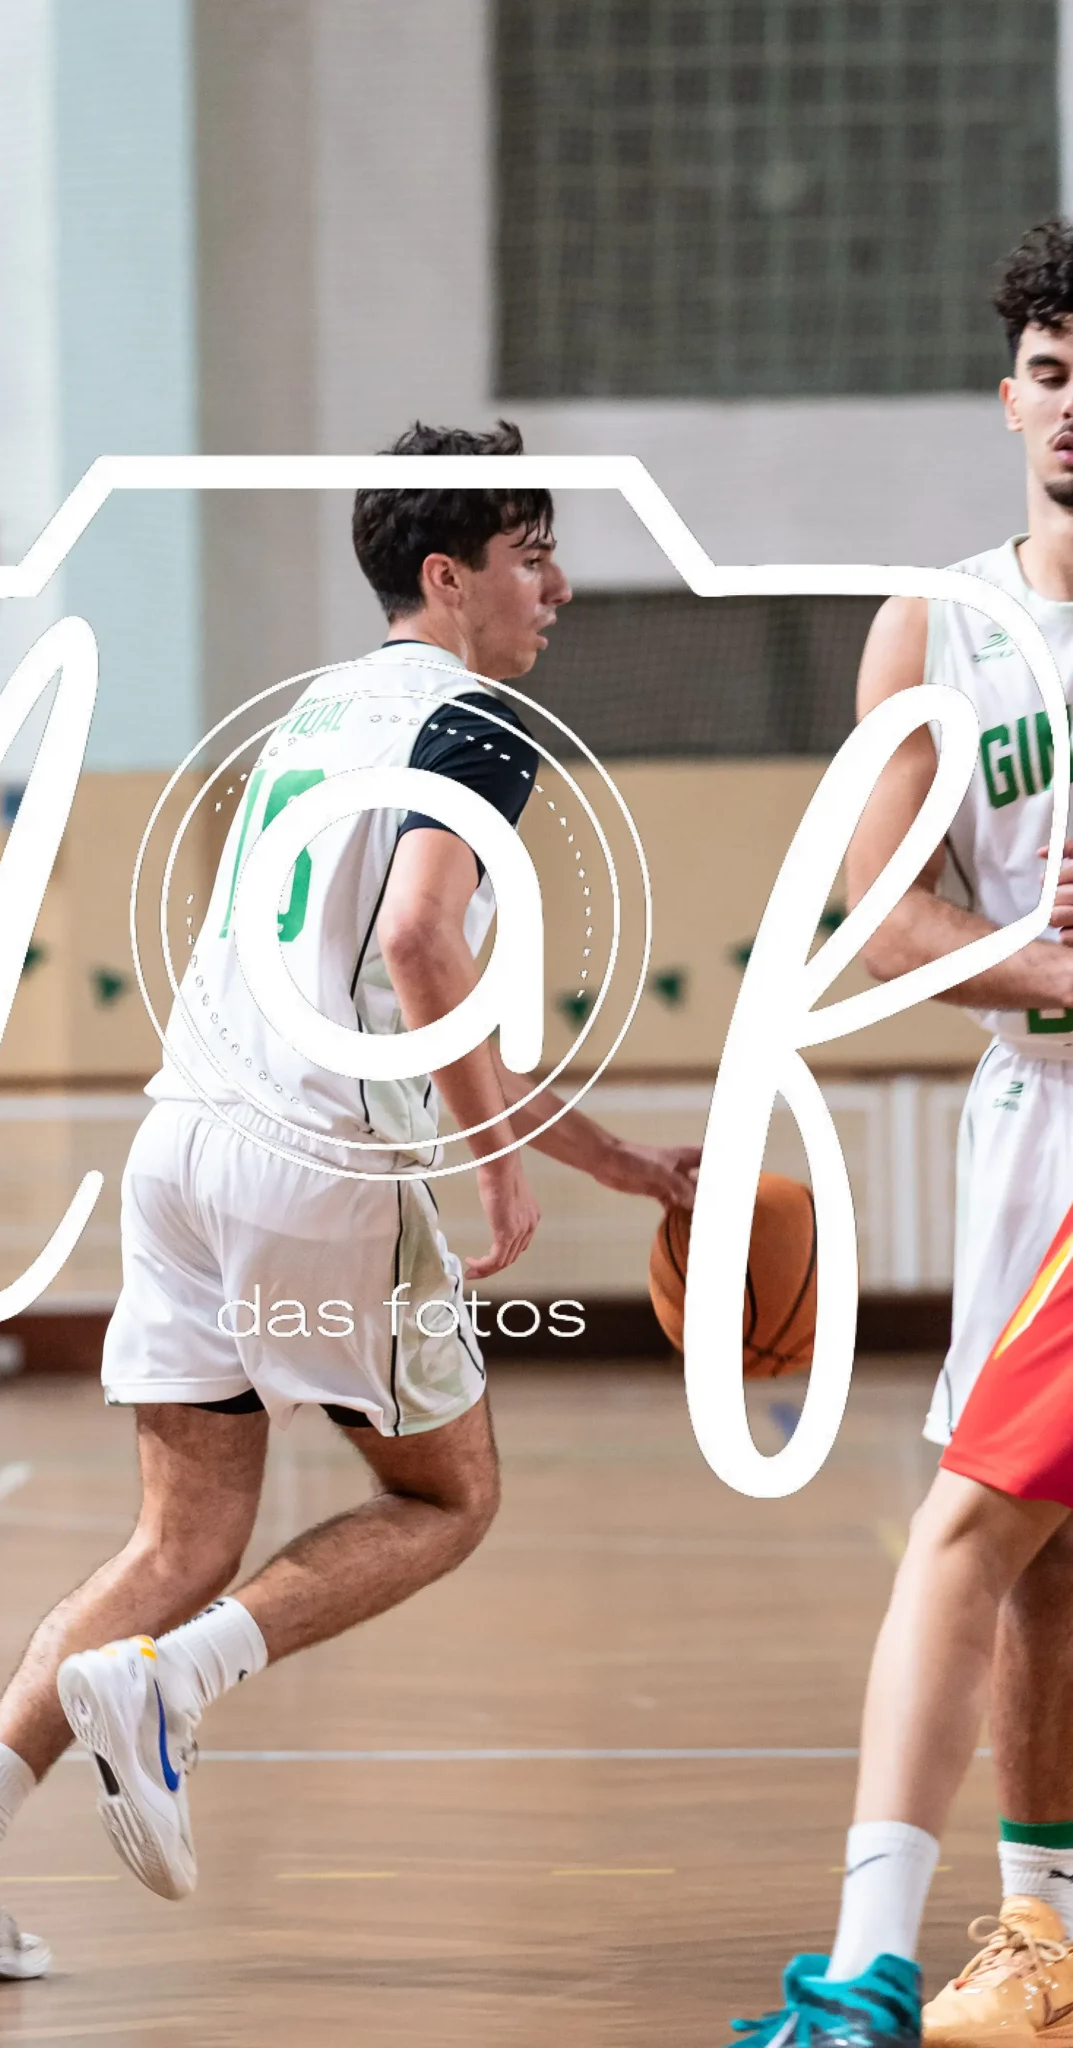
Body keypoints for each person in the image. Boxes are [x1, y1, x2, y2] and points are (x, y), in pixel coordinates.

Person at [0, 419, 700, 1980]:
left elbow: (417, 999)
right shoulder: (478, 721)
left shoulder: (314, 715)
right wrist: (499, 1167)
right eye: (532, 557)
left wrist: (627, 1167)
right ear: (447, 577)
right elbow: (420, 948)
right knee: (447, 1499)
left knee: (176, 1540)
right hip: (320, 1153)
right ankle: (171, 1687)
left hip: (185, 1140)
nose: (560, 588)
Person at [723, 218, 1073, 2047]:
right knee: (1028, 1553)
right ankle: (1038, 1926)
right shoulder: (940, 627)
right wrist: (1049, 961)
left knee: (974, 1537)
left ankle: (882, 1955)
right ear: (1008, 396)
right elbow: (882, 914)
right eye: (1054, 375)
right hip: (1036, 1115)